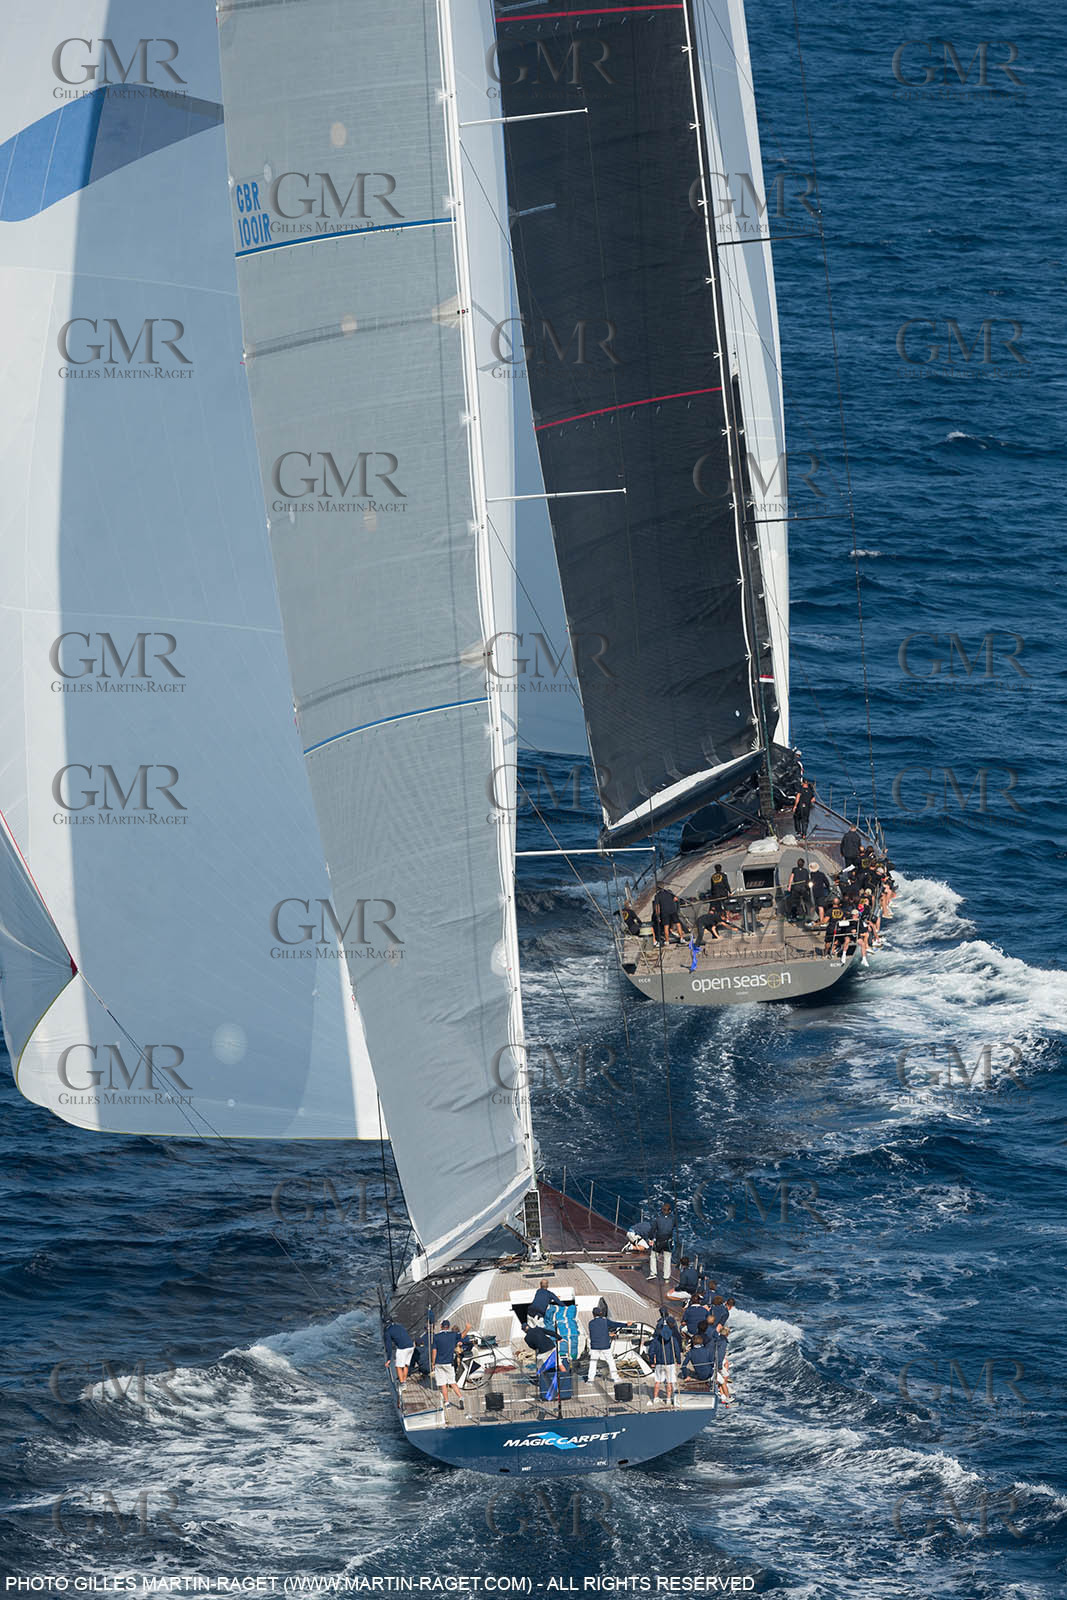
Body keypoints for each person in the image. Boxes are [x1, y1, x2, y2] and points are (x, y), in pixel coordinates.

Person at [430, 1318, 471, 1411]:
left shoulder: (436, 1337)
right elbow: (462, 1336)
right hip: (449, 1363)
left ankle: (447, 1402)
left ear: (441, 1327)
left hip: (439, 1363)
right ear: (448, 1327)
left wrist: (433, 1363)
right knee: (452, 1382)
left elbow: (434, 1351)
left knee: (443, 1384)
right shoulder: (452, 1335)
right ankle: (460, 1397)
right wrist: (467, 1328)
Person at [648, 1309, 682, 1407]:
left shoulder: (656, 1340)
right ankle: (668, 1399)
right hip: (670, 1363)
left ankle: (655, 1398)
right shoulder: (673, 1339)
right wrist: (678, 1361)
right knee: (669, 1382)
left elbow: (651, 1351)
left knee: (658, 1381)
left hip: (659, 1363)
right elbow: (677, 1350)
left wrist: (651, 1362)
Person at [585, 1309, 625, 1385]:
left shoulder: (590, 1323)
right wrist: (626, 1325)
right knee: (611, 1361)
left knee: (593, 1363)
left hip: (595, 1347)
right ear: (601, 1313)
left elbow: (596, 1333)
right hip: (605, 1346)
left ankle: (590, 1380)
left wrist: (608, 1334)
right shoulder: (605, 1321)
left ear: (593, 1314)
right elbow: (615, 1324)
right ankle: (615, 1378)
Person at [647, 1202, 675, 1281]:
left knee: (653, 1256)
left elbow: (652, 1230)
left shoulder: (658, 1219)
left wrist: (651, 1239)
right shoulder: (673, 1219)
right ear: (670, 1211)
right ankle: (666, 1277)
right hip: (668, 1243)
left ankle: (653, 1273)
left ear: (662, 1210)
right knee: (667, 1258)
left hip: (659, 1242)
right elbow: (674, 1226)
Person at [383, 1319, 415, 1385]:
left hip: (403, 1348)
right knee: (406, 1364)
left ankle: (402, 1383)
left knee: (398, 1366)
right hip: (411, 1346)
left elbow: (389, 1346)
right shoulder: (399, 1326)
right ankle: (404, 1380)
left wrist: (388, 1359)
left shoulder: (387, 1332)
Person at [785, 858, 812, 922]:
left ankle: (794, 916)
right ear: (803, 864)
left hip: (796, 888)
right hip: (803, 888)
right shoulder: (806, 870)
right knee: (807, 902)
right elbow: (808, 880)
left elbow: (791, 878)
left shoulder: (794, 870)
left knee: (795, 902)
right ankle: (808, 915)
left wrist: (789, 886)